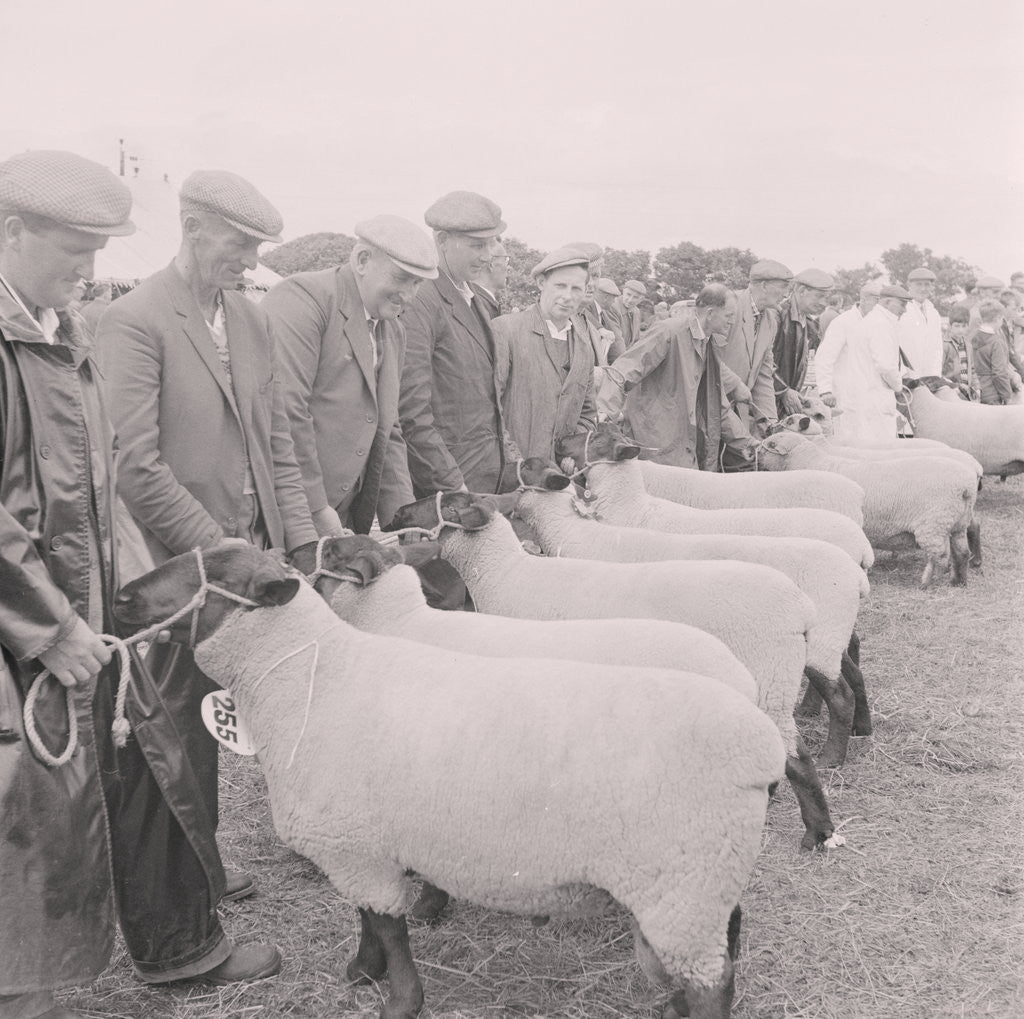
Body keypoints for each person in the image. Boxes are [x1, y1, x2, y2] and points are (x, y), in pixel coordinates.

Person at [0, 151, 266, 1019]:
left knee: (147, 773)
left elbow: (96, 483)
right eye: (75, 249)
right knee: (27, 845)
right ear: (12, 231)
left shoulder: (58, 332)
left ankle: (177, 945)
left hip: (90, 621)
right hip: (30, 642)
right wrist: (50, 626)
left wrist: (121, 599)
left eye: (98, 250)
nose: (90, 268)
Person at [96, 169, 317, 908]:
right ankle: (182, 878)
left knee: (220, 706)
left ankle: (204, 860)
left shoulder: (251, 320)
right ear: (192, 228)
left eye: (258, 247)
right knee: (177, 719)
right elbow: (134, 464)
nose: (251, 261)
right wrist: (221, 552)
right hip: (177, 569)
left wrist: (295, 541)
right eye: (239, 243)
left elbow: (276, 440)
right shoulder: (134, 319)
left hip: (245, 558)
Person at [262, 215, 437, 536]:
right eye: (402, 278)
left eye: (417, 283)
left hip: (340, 521)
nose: (409, 295)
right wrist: (317, 509)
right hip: (287, 515)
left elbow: (388, 430)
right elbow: (287, 412)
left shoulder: (394, 331)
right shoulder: (303, 298)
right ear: (362, 260)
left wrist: (406, 522)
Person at [398, 190, 512, 496]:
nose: (487, 256)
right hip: (448, 490)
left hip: (482, 480)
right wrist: (451, 485)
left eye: (491, 243)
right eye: (477, 245)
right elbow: (411, 412)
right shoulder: (421, 300)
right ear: (442, 240)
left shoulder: (472, 298)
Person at [596, 283, 754, 470]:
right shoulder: (669, 331)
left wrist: (748, 444)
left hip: (684, 446)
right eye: (729, 315)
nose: (732, 321)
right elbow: (623, 370)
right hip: (657, 446)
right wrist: (604, 412)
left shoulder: (708, 344)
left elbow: (717, 404)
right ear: (711, 313)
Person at [492, 246, 597, 461]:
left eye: (576, 289)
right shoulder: (506, 330)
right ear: (541, 283)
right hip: (512, 470)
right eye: (560, 286)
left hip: (558, 474)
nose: (567, 296)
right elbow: (488, 408)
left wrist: (572, 454)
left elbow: (587, 414)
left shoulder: (584, 347)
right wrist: (516, 462)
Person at [824, 283, 909, 442]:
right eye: (902, 304)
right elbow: (886, 366)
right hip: (872, 398)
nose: (904, 310)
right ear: (887, 302)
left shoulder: (874, 321)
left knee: (861, 443)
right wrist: (898, 386)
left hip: (864, 396)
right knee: (878, 447)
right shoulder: (880, 324)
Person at [719, 258, 793, 439]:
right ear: (764, 285)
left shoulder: (770, 321)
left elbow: (763, 374)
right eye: (783, 287)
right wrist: (734, 384)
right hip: (710, 404)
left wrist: (770, 421)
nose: (786, 294)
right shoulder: (729, 306)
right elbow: (708, 357)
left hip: (735, 412)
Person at [772, 268, 834, 414]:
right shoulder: (777, 316)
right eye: (819, 296)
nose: (823, 303)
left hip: (785, 404)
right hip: (767, 403)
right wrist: (783, 390)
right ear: (801, 290)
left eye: (826, 298)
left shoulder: (811, 325)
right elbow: (761, 362)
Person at [897, 266, 943, 377]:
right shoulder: (900, 310)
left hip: (929, 377)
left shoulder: (934, 313)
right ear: (909, 285)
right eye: (919, 284)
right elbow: (893, 345)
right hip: (905, 377)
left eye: (927, 285)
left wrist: (935, 375)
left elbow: (937, 348)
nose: (923, 289)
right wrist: (903, 374)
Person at [972, 298, 1015, 404]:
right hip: (993, 394)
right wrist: (1007, 395)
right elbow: (999, 373)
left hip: (977, 392)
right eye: (1002, 319)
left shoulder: (973, 338)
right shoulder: (996, 342)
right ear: (997, 318)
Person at [942, 304, 978, 400]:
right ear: (950, 326)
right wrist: (953, 386)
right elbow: (938, 373)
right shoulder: (945, 345)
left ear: (968, 326)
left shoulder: (968, 345)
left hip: (967, 393)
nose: (960, 330)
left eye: (963, 326)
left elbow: (972, 370)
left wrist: (977, 387)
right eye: (957, 326)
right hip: (951, 392)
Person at [473, 238, 507, 320]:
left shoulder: (477, 300)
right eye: (505, 260)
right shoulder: (478, 305)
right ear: (492, 264)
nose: (508, 267)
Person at [613, 279, 645, 347]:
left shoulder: (636, 312)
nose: (630, 300)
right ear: (623, 291)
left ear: (641, 300)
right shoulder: (612, 306)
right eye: (628, 294)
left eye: (635, 297)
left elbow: (636, 338)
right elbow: (616, 341)